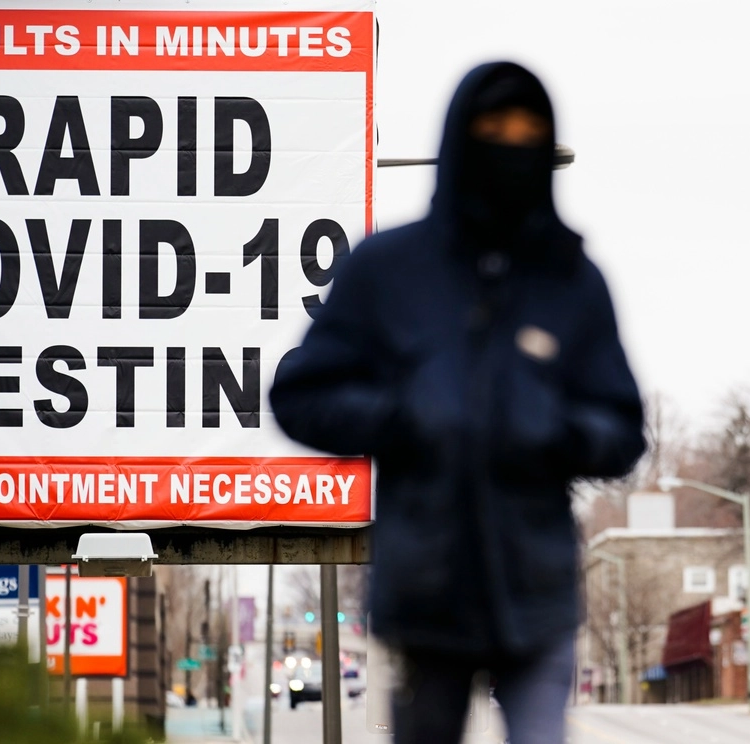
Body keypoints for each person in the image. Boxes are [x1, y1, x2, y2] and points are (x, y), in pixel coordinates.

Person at [269, 61, 645, 744]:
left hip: (535, 588)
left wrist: (555, 431)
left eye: (529, 129)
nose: (511, 143)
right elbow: (301, 394)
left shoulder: (570, 280)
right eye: (493, 128)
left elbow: (621, 426)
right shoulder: (387, 269)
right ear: (459, 138)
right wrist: (402, 415)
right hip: (425, 588)